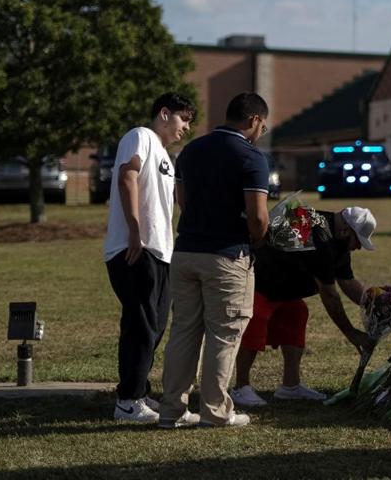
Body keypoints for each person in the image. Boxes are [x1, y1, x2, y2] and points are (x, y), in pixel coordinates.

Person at [158, 92, 271, 429]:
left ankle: (171, 411)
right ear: (253, 120)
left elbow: (182, 200)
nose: (260, 132)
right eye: (262, 127)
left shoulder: (191, 150)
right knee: (224, 333)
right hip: (227, 254)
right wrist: (259, 240)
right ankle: (215, 411)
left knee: (183, 332)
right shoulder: (251, 157)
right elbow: (258, 216)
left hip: (186, 250)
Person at [103, 93, 195, 423]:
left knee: (154, 327)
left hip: (159, 252)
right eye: (184, 118)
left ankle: (138, 393)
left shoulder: (167, 156)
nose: (187, 126)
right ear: (165, 113)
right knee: (140, 325)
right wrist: (134, 230)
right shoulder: (140, 136)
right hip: (135, 248)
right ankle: (127, 402)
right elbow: (127, 175)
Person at [230, 205, 377, 408]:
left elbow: (347, 281)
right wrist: (350, 332)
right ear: (345, 230)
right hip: (259, 281)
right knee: (256, 321)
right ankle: (241, 386)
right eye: (357, 241)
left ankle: (290, 386)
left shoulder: (336, 238)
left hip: (284, 287)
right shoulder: (319, 236)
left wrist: (376, 304)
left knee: (296, 314)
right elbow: (329, 294)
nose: (358, 247)